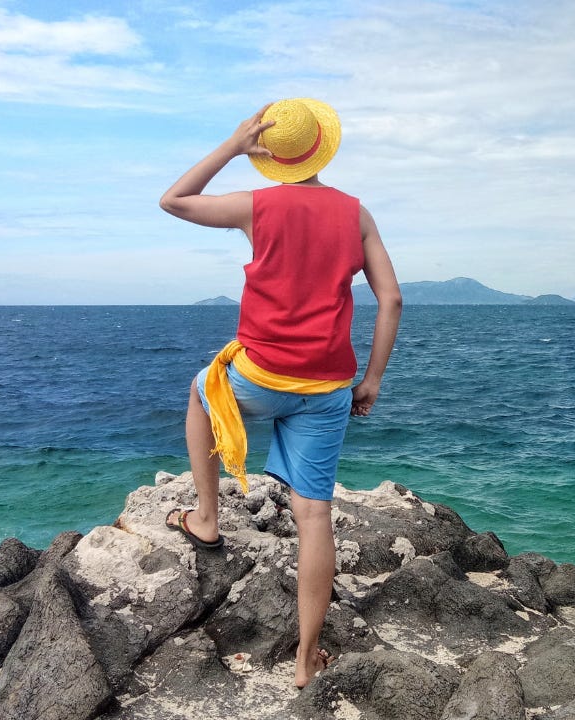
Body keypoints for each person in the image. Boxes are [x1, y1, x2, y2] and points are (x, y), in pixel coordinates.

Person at [157, 98, 402, 689]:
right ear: (322, 148)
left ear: (272, 155)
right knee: (315, 515)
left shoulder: (257, 206)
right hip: (328, 387)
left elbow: (174, 200)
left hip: (261, 376)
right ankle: (305, 658)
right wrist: (370, 381)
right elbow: (391, 299)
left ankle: (208, 517)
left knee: (201, 393)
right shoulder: (356, 213)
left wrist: (231, 146)